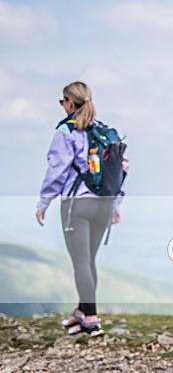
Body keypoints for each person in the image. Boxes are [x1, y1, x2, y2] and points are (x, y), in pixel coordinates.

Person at [36, 81, 125, 337]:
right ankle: (82, 311)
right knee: (89, 260)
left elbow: (56, 170)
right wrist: (116, 205)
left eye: (62, 101)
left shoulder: (67, 131)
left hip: (78, 204)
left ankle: (92, 319)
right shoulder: (104, 132)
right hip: (104, 204)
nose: (62, 105)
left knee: (81, 261)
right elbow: (120, 171)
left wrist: (44, 203)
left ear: (69, 102)